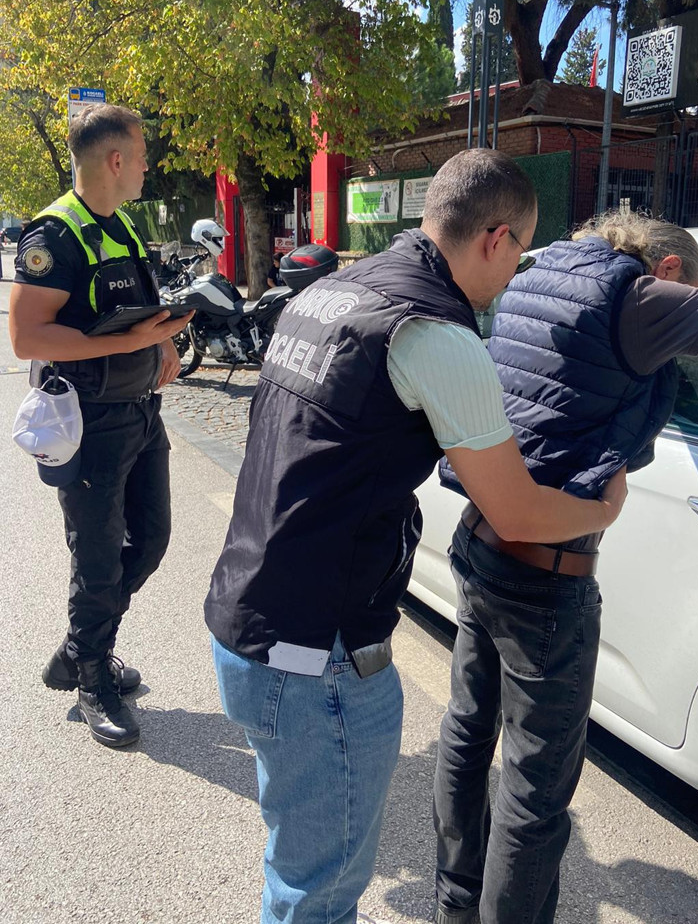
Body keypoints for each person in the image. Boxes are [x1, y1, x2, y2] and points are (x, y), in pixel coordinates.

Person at [204, 149, 629, 924]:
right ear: (496, 239)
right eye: (521, 253)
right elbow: (521, 515)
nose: (515, 277)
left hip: (246, 619)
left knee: (295, 866)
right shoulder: (435, 334)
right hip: (316, 659)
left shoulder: (334, 291)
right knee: (319, 893)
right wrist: (601, 510)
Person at [432, 209, 698, 924]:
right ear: (669, 273)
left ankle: (455, 905)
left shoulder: (540, 271)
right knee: (534, 789)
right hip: (546, 578)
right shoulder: (640, 299)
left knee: (467, 731)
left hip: (480, 542)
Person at [8, 103, 192, 748]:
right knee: (97, 557)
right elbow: (27, 338)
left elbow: (128, 315)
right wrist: (127, 345)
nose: (147, 167)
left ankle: (77, 648)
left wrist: (161, 343)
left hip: (142, 411)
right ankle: (92, 677)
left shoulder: (120, 226)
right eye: (142, 156)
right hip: (88, 421)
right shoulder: (52, 235)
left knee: (153, 538)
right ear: (116, 160)